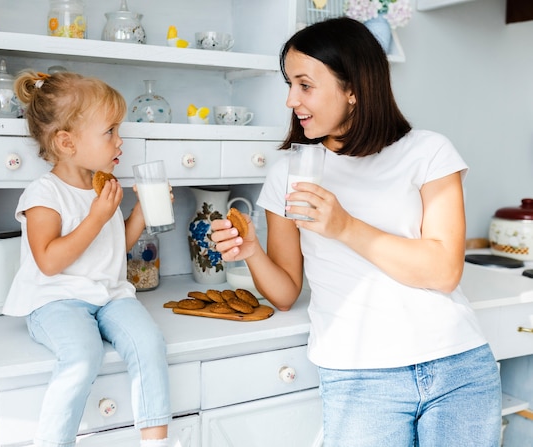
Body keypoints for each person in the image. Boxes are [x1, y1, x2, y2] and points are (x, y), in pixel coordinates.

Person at [211, 17, 501, 446]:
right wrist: (253, 250)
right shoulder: (289, 172)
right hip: (359, 375)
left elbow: (443, 271)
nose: (291, 99)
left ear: (353, 89)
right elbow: (287, 292)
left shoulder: (428, 152)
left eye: (305, 85)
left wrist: (345, 226)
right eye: (289, 84)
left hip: (456, 363)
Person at [3, 71, 171, 447]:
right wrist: (96, 215)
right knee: (82, 355)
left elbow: (113, 248)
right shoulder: (44, 194)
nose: (119, 140)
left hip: (108, 295)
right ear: (67, 142)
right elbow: (49, 261)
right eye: (109, 131)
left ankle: (156, 439)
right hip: (56, 299)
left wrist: (141, 212)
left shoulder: (104, 184)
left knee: (149, 341)